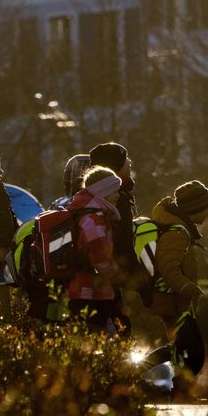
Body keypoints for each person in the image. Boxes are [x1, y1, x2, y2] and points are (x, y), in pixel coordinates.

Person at [145, 180, 208, 376]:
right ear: (194, 209)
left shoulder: (181, 230)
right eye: (206, 207)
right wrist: (188, 288)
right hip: (172, 301)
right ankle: (134, 371)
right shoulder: (177, 233)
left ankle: (177, 386)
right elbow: (168, 268)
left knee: (184, 351)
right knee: (192, 354)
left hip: (178, 301)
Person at [66, 166, 124, 335]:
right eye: (114, 191)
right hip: (90, 291)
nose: (118, 195)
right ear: (103, 192)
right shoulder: (94, 219)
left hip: (82, 290)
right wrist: (117, 275)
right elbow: (99, 257)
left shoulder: (89, 213)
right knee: (96, 337)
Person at [89, 143, 140, 335]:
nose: (130, 162)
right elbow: (122, 244)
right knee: (119, 332)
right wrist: (140, 281)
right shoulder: (116, 201)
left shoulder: (90, 198)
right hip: (105, 282)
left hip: (95, 281)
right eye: (125, 160)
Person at [0, 148, 18, 321]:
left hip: (4, 250)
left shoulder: (0, 192)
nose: (1, 171)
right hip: (0, 249)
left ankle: (7, 321)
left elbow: (8, 218)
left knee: (4, 288)